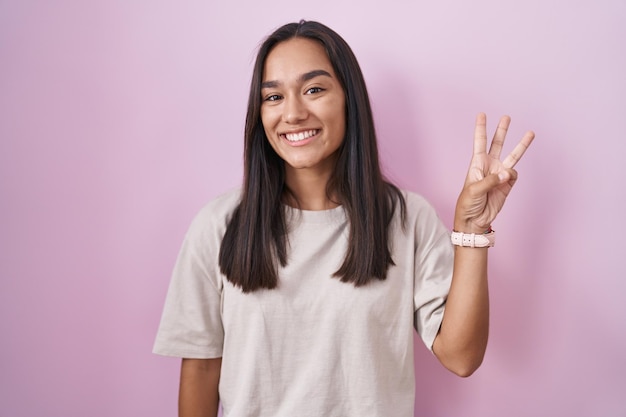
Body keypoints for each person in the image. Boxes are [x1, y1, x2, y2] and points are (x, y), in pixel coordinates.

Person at [153, 20, 534, 417]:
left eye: (314, 90)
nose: (294, 113)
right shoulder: (217, 225)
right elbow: (199, 369)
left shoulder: (407, 219)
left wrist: (471, 232)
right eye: (273, 97)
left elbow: (461, 356)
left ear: (348, 98)